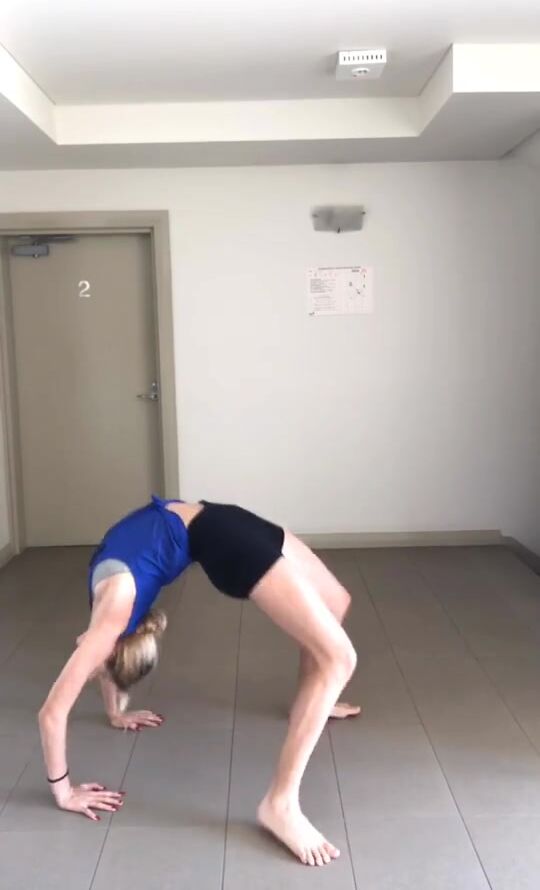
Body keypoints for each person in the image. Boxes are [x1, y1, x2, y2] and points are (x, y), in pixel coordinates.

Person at [39, 495, 359, 867]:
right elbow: (103, 654)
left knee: (336, 603)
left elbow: (51, 714)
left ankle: (313, 700)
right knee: (340, 658)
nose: (87, 667)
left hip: (221, 525)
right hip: (217, 528)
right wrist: (114, 714)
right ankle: (281, 803)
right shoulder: (105, 602)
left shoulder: (110, 620)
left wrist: (63, 791)